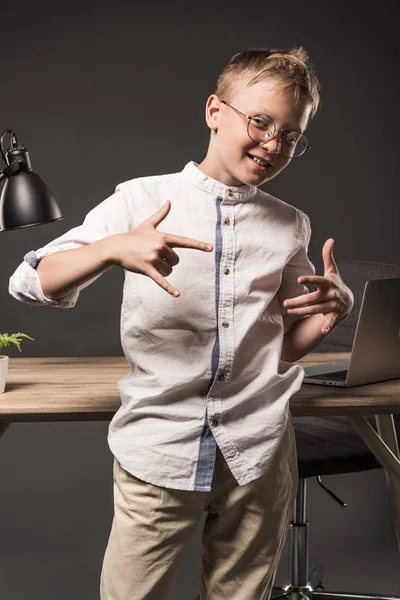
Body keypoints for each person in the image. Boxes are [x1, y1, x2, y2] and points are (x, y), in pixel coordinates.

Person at [9, 47, 354, 600]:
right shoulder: (141, 199)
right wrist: (112, 249)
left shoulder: (291, 226)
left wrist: (331, 314)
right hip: (159, 447)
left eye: (290, 136)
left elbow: (284, 351)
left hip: (259, 450)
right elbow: (29, 283)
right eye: (260, 122)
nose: (273, 144)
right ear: (215, 111)